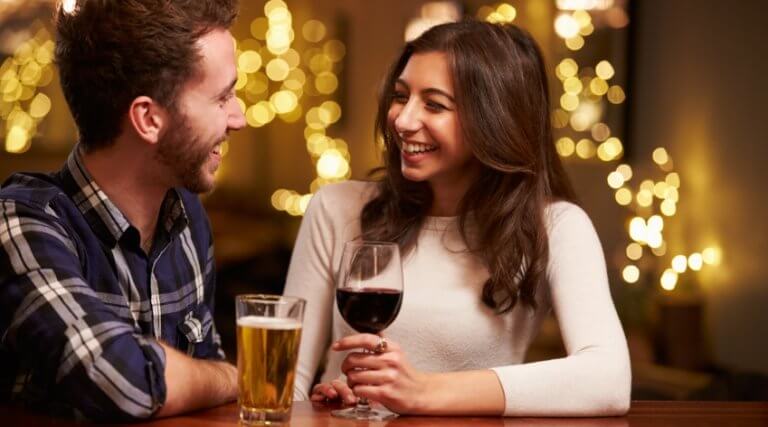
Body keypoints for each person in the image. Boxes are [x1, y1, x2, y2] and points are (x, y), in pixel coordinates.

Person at [284, 20, 631, 417]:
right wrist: (327, 410)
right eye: (400, 96)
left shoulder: (556, 227)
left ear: (493, 119)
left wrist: (420, 393)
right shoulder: (337, 207)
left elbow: (609, 380)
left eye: (434, 104)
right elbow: (287, 382)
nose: (402, 120)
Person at [0, 0, 245, 421]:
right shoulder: (22, 223)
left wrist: (211, 379)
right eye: (222, 97)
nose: (239, 117)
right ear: (148, 119)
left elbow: (206, 385)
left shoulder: (187, 216)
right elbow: (124, 383)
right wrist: (235, 378)